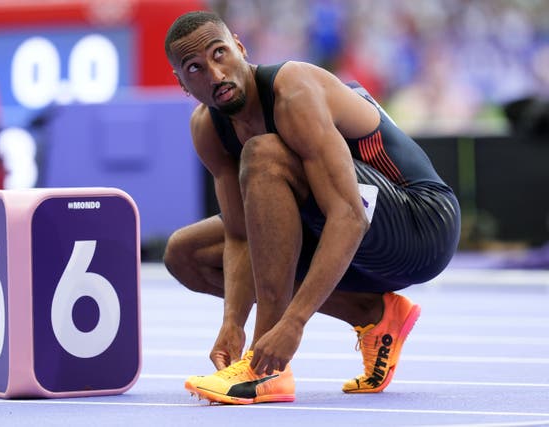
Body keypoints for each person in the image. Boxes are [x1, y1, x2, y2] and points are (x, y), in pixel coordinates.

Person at [162, 11, 461, 405]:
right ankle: (372, 314)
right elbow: (240, 233)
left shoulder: (293, 90)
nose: (215, 75)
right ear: (182, 83)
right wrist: (232, 322)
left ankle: (265, 370)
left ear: (239, 45)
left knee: (264, 153)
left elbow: (349, 215)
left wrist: (294, 323)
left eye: (220, 54)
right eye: (195, 68)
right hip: (351, 230)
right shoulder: (208, 128)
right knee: (187, 254)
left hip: (422, 224)